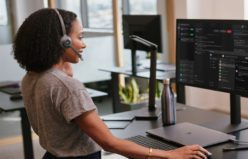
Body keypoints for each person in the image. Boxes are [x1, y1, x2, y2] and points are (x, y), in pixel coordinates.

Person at [13, 8, 210, 159]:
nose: (84, 44)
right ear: (63, 41)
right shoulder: (66, 87)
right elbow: (109, 143)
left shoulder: (31, 78)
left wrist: (65, 68)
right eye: (80, 37)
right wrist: (169, 155)